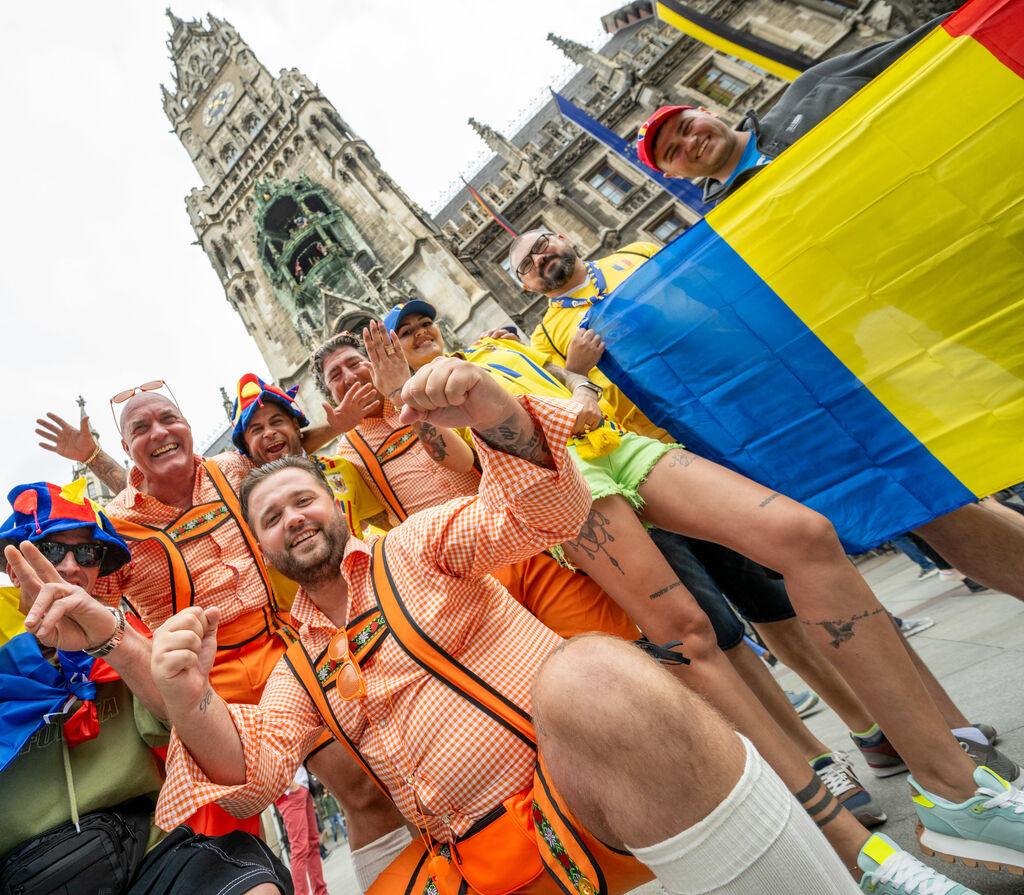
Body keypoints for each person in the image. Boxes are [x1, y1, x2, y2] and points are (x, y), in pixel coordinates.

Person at [148, 361, 959, 895]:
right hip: (470, 869)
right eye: (270, 516)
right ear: (257, 544)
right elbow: (252, 776)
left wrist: (502, 419)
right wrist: (185, 699)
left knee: (599, 673)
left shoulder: (416, 545)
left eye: (302, 500)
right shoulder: (295, 671)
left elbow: (542, 509)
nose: (292, 519)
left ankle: (849, 863)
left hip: (581, 814)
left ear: (335, 502)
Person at [508, 232, 1024, 875]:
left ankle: (945, 740)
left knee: (839, 552)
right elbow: (587, 416)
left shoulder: (641, 255)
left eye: (540, 243)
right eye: (524, 262)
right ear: (524, 286)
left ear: (565, 232)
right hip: (669, 462)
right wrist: (580, 373)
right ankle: (866, 764)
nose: (539, 257)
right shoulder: (547, 338)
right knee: (741, 619)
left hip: (752, 422)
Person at [385, 302, 895, 831]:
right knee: (704, 635)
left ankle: (863, 738)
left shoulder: (498, 347)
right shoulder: (430, 403)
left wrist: (578, 387)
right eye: (404, 333)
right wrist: (402, 389)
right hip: (576, 500)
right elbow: (460, 464)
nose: (420, 333)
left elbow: (569, 381)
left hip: (628, 455)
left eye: (424, 324)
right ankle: (809, 767)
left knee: (763, 591)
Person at [632, 22, 1024, 603]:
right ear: (674, 176)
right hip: (936, 305)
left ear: (709, 111)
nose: (688, 143)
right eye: (673, 152)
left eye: (686, 127)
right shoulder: (728, 238)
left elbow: (949, 44)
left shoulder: (817, 90)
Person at [35, 381, 408, 889]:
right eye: (140, 428)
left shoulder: (234, 471)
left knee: (365, 788)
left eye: (169, 420)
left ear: (189, 427)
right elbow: (88, 596)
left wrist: (339, 425)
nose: (160, 433)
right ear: (125, 449)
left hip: (286, 655)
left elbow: (287, 447)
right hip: (203, 683)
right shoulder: (114, 525)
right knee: (226, 847)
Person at [0, 480, 291, 895]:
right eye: (49, 549)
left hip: (145, 850)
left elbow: (185, 729)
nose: (68, 567)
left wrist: (113, 643)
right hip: (28, 872)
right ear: (13, 568)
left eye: (86, 552)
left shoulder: (124, 636)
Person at [311, 329, 640, 643]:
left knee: (607, 636)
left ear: (375, 362)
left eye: (354, 363)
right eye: (335, 376)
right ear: (329, 395)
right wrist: (331, 429)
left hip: (519, 538)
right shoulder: (346, 456)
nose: (349, 376)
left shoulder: (429, 392)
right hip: (459, 575)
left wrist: (400, 394)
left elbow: (460, 458)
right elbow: (274, 451)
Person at [275, 767, 328, 895]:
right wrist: (292, 785)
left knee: (313, 843)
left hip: (302, 787)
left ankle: (321, 892)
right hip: (290, 792)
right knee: (299, 849)